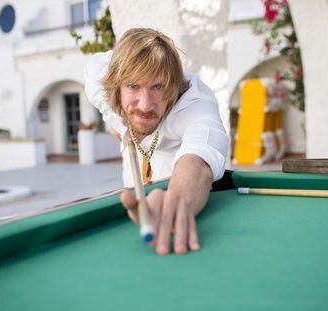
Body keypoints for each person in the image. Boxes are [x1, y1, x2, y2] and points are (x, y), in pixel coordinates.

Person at [84, 28, 228, 255]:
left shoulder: (195, 106)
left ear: (171, 87)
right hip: (133, 175)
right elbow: (94, 64)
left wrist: (177, 200)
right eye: (133, 86)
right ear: (116, 84)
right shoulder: (99, 83)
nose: (145, 105)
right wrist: (113, 121)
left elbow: (198, 163)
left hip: (173, 171)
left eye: (158, 87)